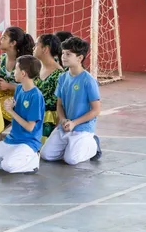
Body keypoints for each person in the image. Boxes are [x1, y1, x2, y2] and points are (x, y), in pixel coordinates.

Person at [0, 55, 45, 173]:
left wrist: (11, 111)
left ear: (23, 73)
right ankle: (11, 159)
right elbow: (17, 108)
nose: (14, 72)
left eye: (16, 69)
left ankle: (33, 160)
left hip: (28, 142)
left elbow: (30, 127)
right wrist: (12, 105)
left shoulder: (36, 96)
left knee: (8, 166)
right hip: (12, 139)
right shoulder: (19, 89)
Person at [40, 37, 103, 165]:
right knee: (46, 154)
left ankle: (93, 144)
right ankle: (71, 145)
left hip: (82, 127)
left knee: (71, 159)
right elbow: (59, 104)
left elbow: (96, 110)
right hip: (66, 126)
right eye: (63, 53)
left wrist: (74, 123)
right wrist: (63, 119)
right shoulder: (63, 77)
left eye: (68, 54)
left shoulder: (88, 80)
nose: (63, 57)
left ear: (80, 58)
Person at [0, 27, 35, 123]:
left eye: (3, 38)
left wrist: (8, 86)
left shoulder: (25, 61)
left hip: (20, 99)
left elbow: (30, 87)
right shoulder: (3, 58)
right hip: (4, 96)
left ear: (13, 43)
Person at [33, 34, 64, 142]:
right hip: (34, 116)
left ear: (45, 49)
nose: (34, 48)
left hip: (49, 121)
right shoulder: (37, 69)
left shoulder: (59, 74)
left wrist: (57, 128)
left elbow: (62, 103)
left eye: (36, 45)